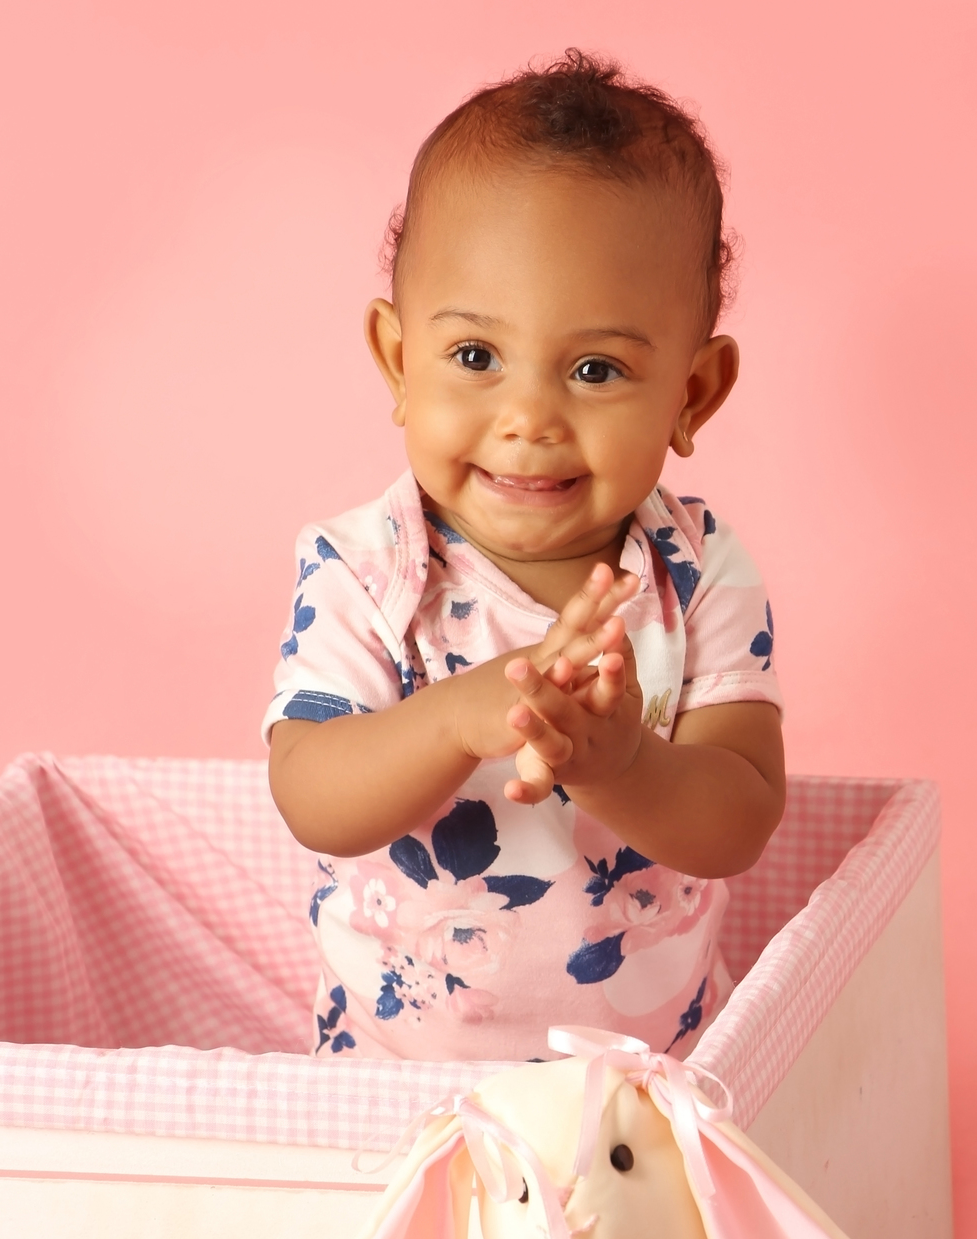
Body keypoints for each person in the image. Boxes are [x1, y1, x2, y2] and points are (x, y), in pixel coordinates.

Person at [265, 51, 785, 1064]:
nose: (529, 418)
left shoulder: (697, 573)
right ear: (399, 360)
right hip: (389, 1085)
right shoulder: (366, 568)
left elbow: (740, 818)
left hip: (650, 1086)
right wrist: (460, 716)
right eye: (476, 357)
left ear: (692, 394)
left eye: (596, 368)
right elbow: (312, 797)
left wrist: (624, 766)